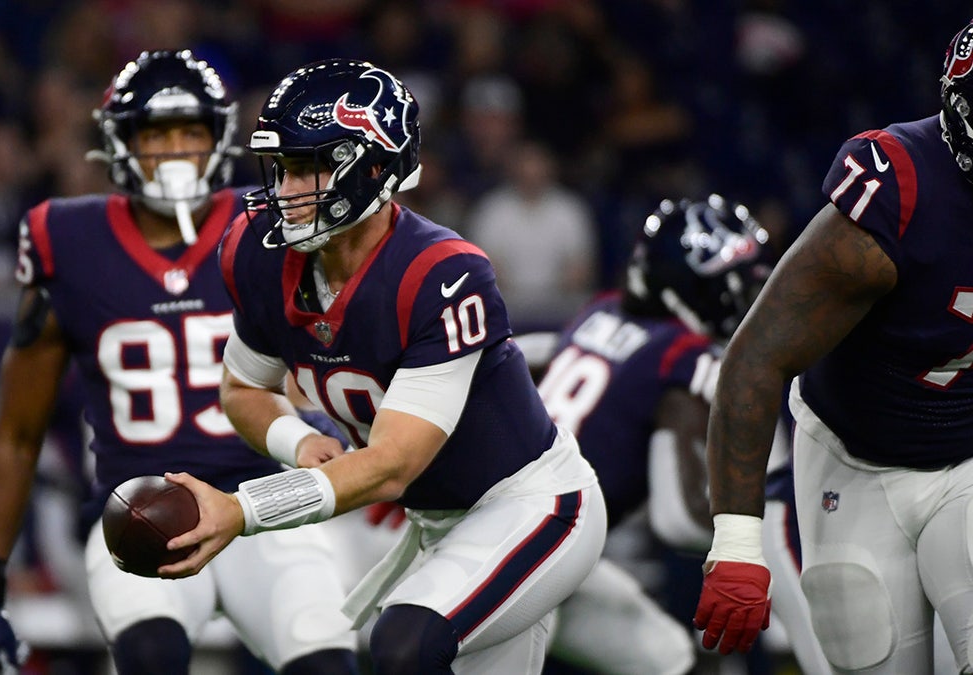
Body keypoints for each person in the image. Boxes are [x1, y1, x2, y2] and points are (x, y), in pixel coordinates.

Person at [161, 58, 607, 675]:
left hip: (529, 505)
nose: (288, 190)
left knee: (404, 644)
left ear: (376, 166)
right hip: (438, 522)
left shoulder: (441, 274)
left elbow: (394, 464)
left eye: (312, 167)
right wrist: (301, 440)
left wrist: (242, 510)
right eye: (284, 167)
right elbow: (242, 387)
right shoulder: (257, 254)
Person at [0, 50, 359, 675]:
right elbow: (16, 433)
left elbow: (341, 352)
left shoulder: (270, 224)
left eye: (189, 131)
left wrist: (323, 419)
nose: (174, 149)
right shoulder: (66, 239)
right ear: (121, 143)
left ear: (219, 137)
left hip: (270, 503)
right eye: (156, 133)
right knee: (151, 658)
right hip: (141, 509)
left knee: (326, 662)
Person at [694, 19, 973, 673]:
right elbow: (757, 355)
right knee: (869, 656)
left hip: (967, 454)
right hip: (853, 462)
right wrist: (736, 541)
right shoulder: (899, 198)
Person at [534, 195, 830, 675]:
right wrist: (745, 542)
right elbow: (676, 519)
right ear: (694, 286)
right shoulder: (683, 356)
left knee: (671, 660)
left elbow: (529, 354)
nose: (749, 298)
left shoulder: (601, 310)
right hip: (536, 552)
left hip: (537, 538)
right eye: (736, 285)